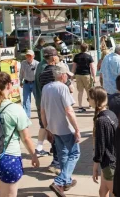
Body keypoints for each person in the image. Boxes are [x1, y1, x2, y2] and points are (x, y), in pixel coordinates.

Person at [41, 63, 80, 196]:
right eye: (67, 76)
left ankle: (66, 181)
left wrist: (47, 128)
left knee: (63, 154)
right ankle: (60, 181)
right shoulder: (63, 88)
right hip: (66, 128)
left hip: (54, 127)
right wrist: (77, 129)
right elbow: (69, 110)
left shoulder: (46, 88)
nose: (67, 78)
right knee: (74, 153)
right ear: (62, 75)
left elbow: (42, 111)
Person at [88, 87, 118, 197]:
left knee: (115, 193)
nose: (88, 100)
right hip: (112, 160)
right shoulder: (111, 114)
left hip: (109, 163)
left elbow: (100, 147)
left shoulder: (101, 121)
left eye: (89, 98)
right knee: (102, 192)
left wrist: (95, 167)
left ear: (95, 100)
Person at [34, 46, 58, 158]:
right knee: (47, 125)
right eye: (56, 55)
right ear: (52, 57)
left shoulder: (41, 65)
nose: (58, 57)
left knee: (44, 125)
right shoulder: (45, 68)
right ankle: (48, 147)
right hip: (44, 102)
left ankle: (41, 147)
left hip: (41, 101)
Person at [72, 43, 95, 113]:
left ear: (80, 48)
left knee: (80, 91)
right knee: (88, 90)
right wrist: (94, 76)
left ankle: (80, 105)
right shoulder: (89, 57)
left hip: (78, 75)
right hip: (86, 75)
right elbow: (92, 67)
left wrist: (72, 75)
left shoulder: (76, 56)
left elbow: (74, 67)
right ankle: (90, 104)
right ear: (87, 48)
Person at [19, 50, 39, 118]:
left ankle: (40, 113)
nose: (28, 57)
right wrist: (21, 80)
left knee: (38, 99)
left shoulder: (37, 64)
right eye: (27, 55)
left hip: (35, 83)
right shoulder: (23, 63)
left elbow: (39, 74)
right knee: (26, 100)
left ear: (33, 56)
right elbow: (21, 72)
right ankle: (26, 116)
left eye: (30, 56)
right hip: (26, 83)